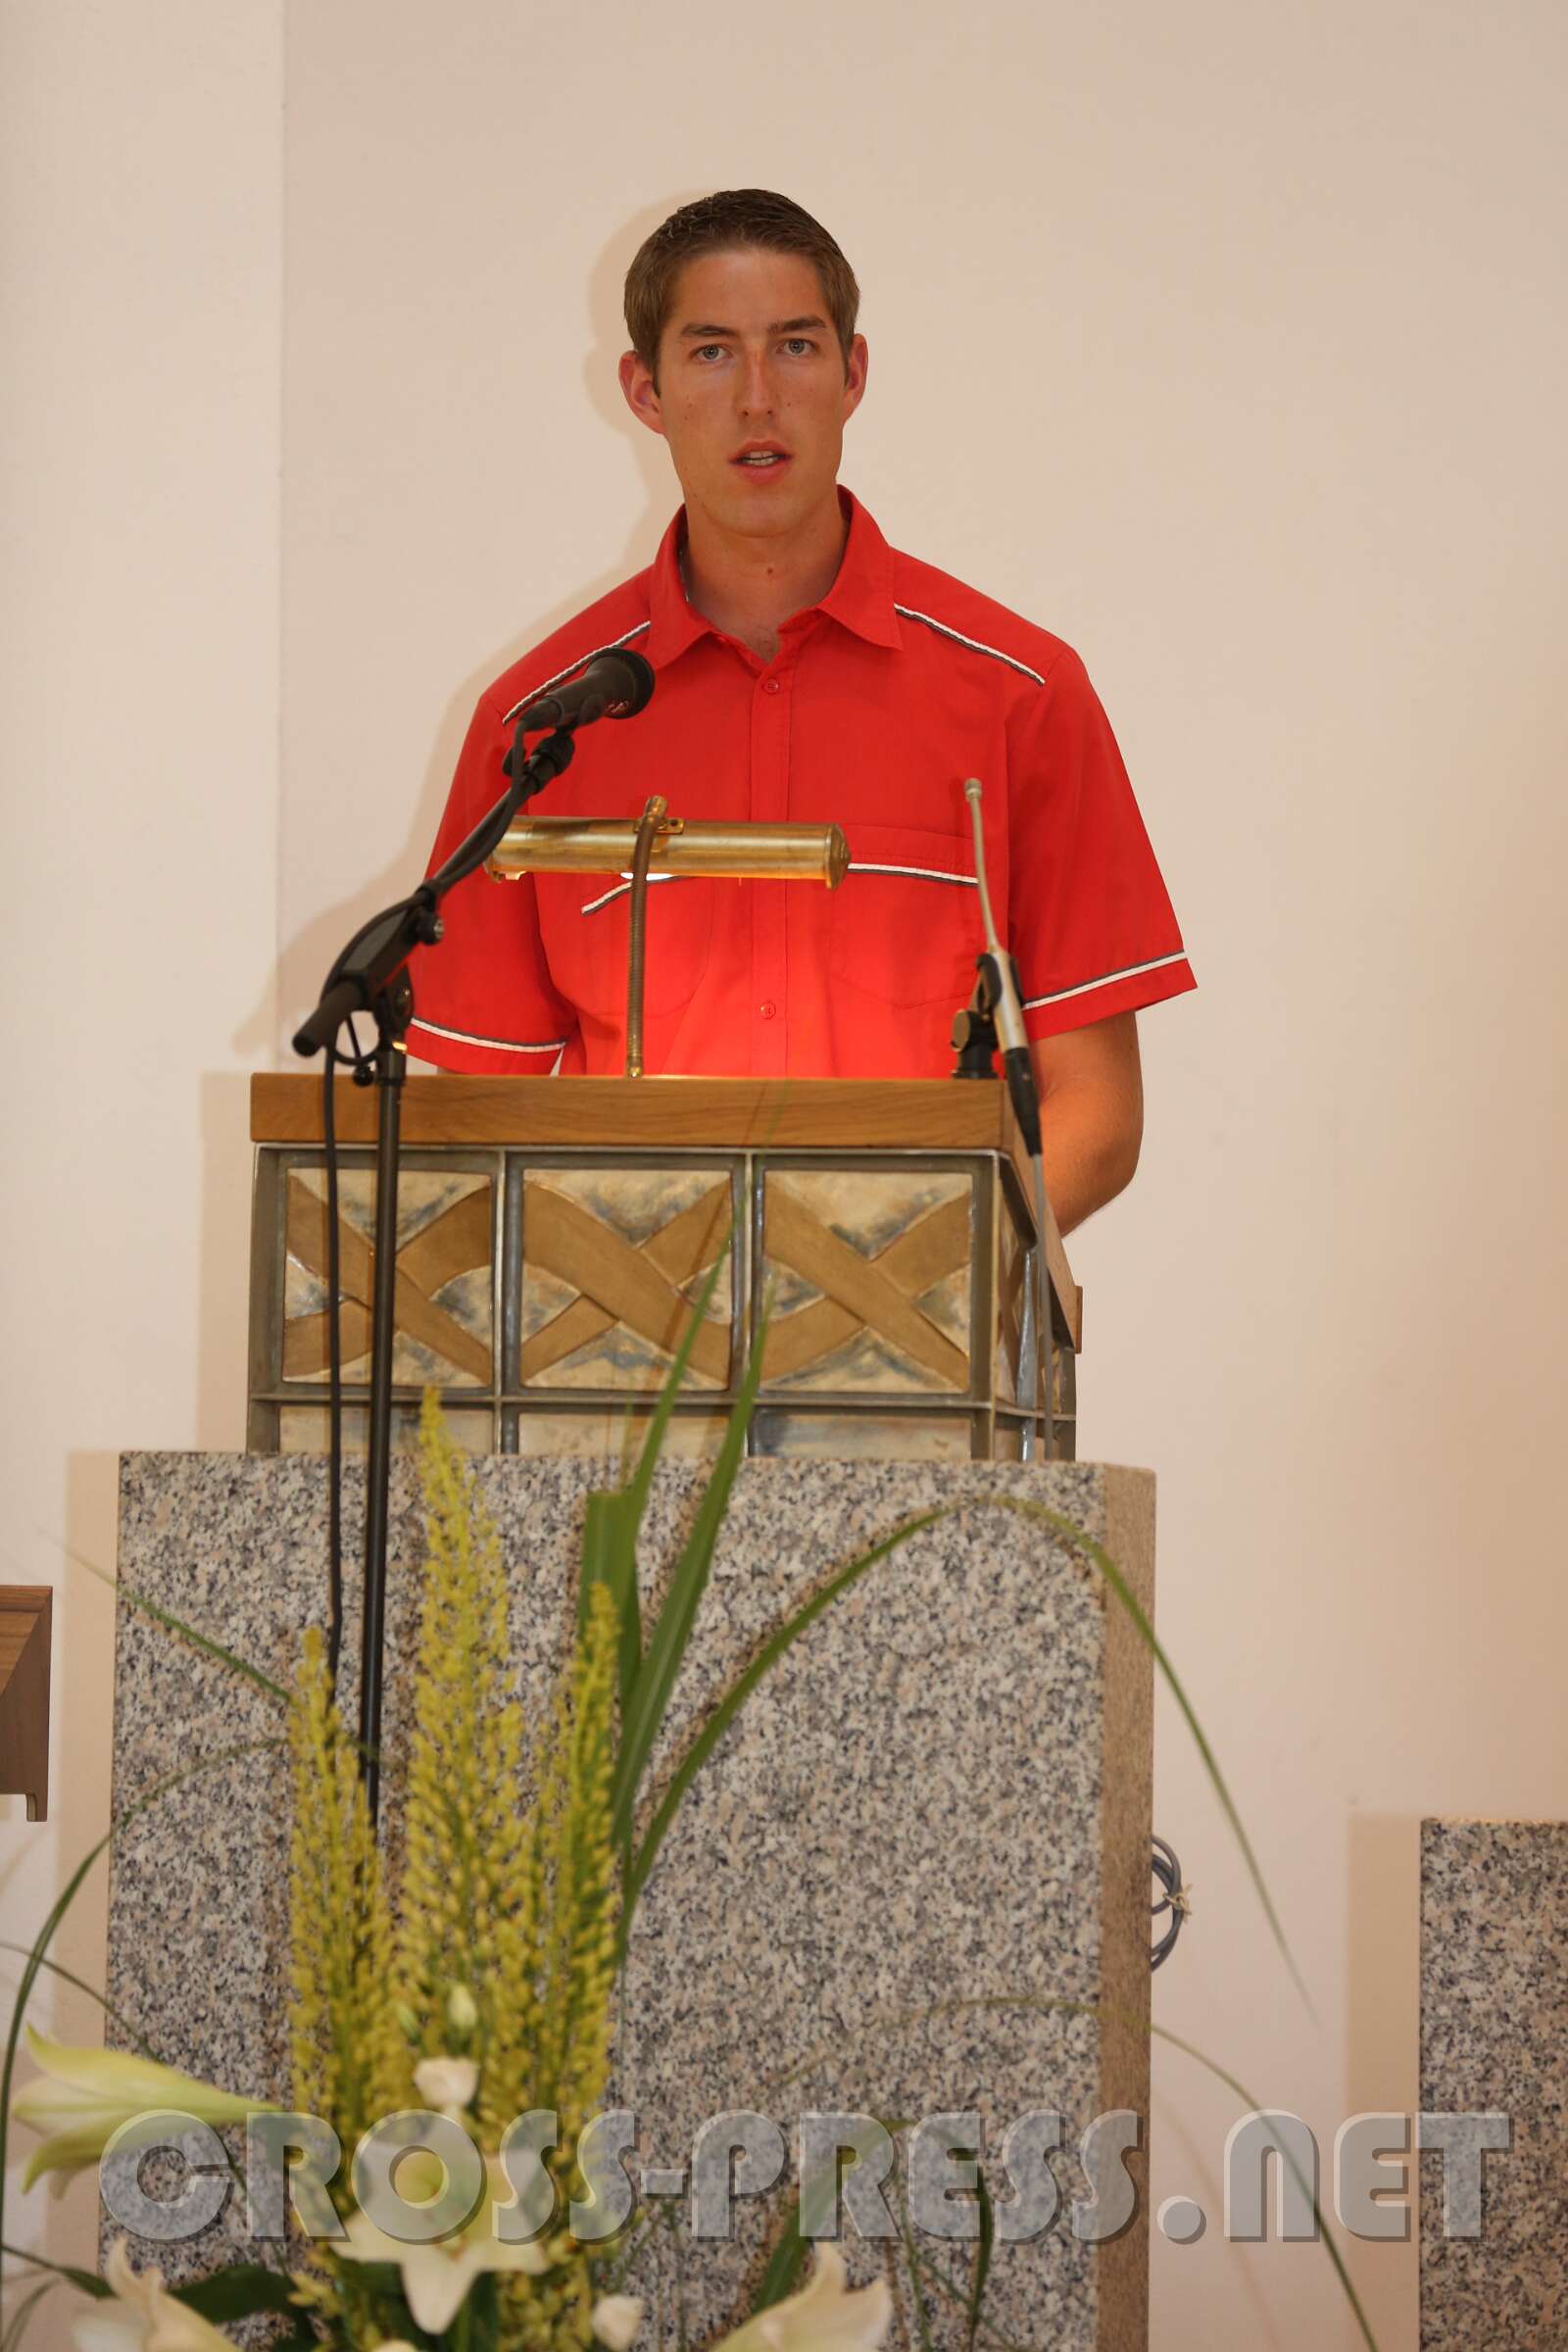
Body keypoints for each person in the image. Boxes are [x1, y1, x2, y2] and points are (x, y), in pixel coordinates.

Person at [407, 189, 1194, 1234]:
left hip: (932, 1326)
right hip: (628, 1330)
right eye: (711, 352)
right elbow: (471, 1126)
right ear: (643, 390)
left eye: (795, 346)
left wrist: (906, 1290)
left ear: (853, 373)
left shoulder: (1022, 694)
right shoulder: (542, 730)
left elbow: (1096, 1112)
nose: (758, 398)